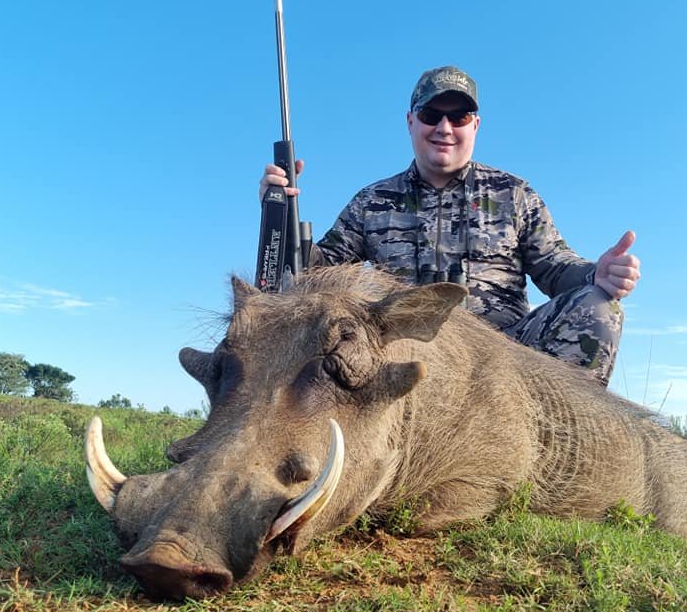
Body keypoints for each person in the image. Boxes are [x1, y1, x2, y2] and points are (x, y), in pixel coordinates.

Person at [259, 66, 640, 386]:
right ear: (410, 122)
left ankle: (561, 458)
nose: (444, 127)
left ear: (475, 125)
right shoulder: (371, 201)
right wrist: (278, 210)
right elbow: (312, 274)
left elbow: (555, 267)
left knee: (599, 308)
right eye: (430, 115)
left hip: (505, 359)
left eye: (457, 118)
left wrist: (596, 275)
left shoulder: (515, 194)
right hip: (404, 359)